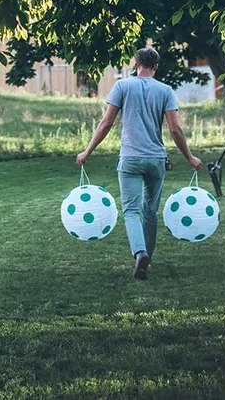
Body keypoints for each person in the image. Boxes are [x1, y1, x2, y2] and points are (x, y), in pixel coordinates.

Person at [76, 46, 203, 280]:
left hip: (131, 159)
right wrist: (189, 157)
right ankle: (147, 262)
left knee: (132, 211)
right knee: (150, 212)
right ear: (155, 66)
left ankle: (140, 253)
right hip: (156, 159)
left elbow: (106, 123)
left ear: (136, 64)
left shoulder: (122, 86)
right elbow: (175, 129)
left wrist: (87, 151)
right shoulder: (165, 90)